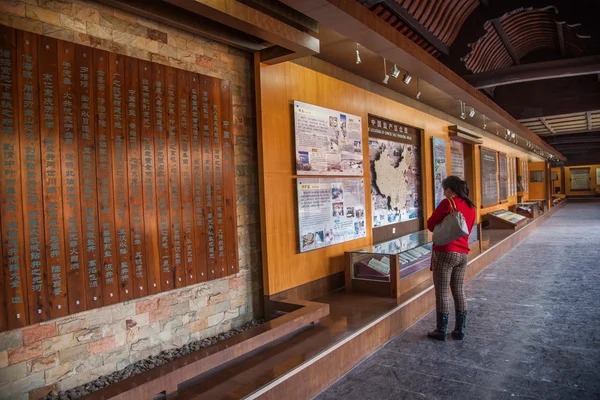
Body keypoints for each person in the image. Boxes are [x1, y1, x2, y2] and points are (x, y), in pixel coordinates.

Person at [426, 176, 476, 341]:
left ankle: (441, 330)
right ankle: (460, 330)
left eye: (444, 189)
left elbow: (430, 224)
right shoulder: (470, 206)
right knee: (459, 290)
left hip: (445, 252)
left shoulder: (448, 203)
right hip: (463, 254)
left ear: (449, 189)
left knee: (441, 292)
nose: (444, 192)